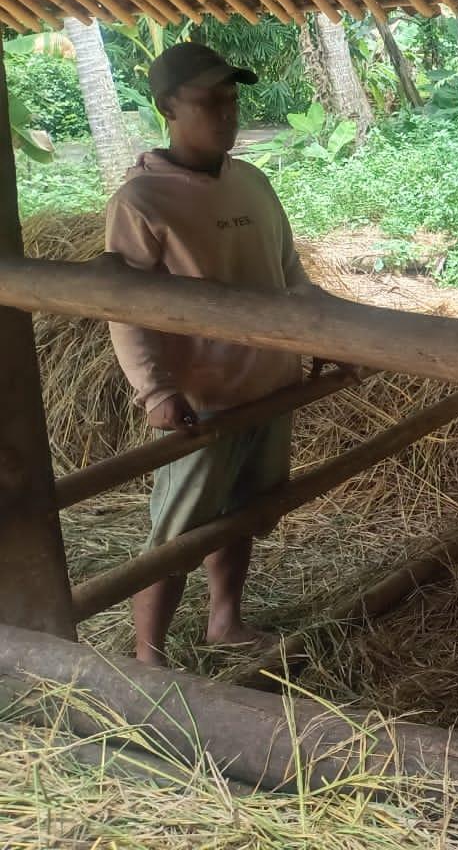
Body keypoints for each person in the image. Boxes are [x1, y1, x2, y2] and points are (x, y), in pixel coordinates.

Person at [106, 42, 310, 667]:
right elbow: (125, 305)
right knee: (177, 531)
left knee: (245, 513)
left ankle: (226, 619)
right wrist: (156, 390)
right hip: (205, 397)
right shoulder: (141, 203)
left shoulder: (250, 181)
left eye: (231, 98)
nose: (226, 113)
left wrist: (328, 339)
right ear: (167, 108)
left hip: (269, 383)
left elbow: (290, 273)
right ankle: (148, 655)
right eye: (207, 101)